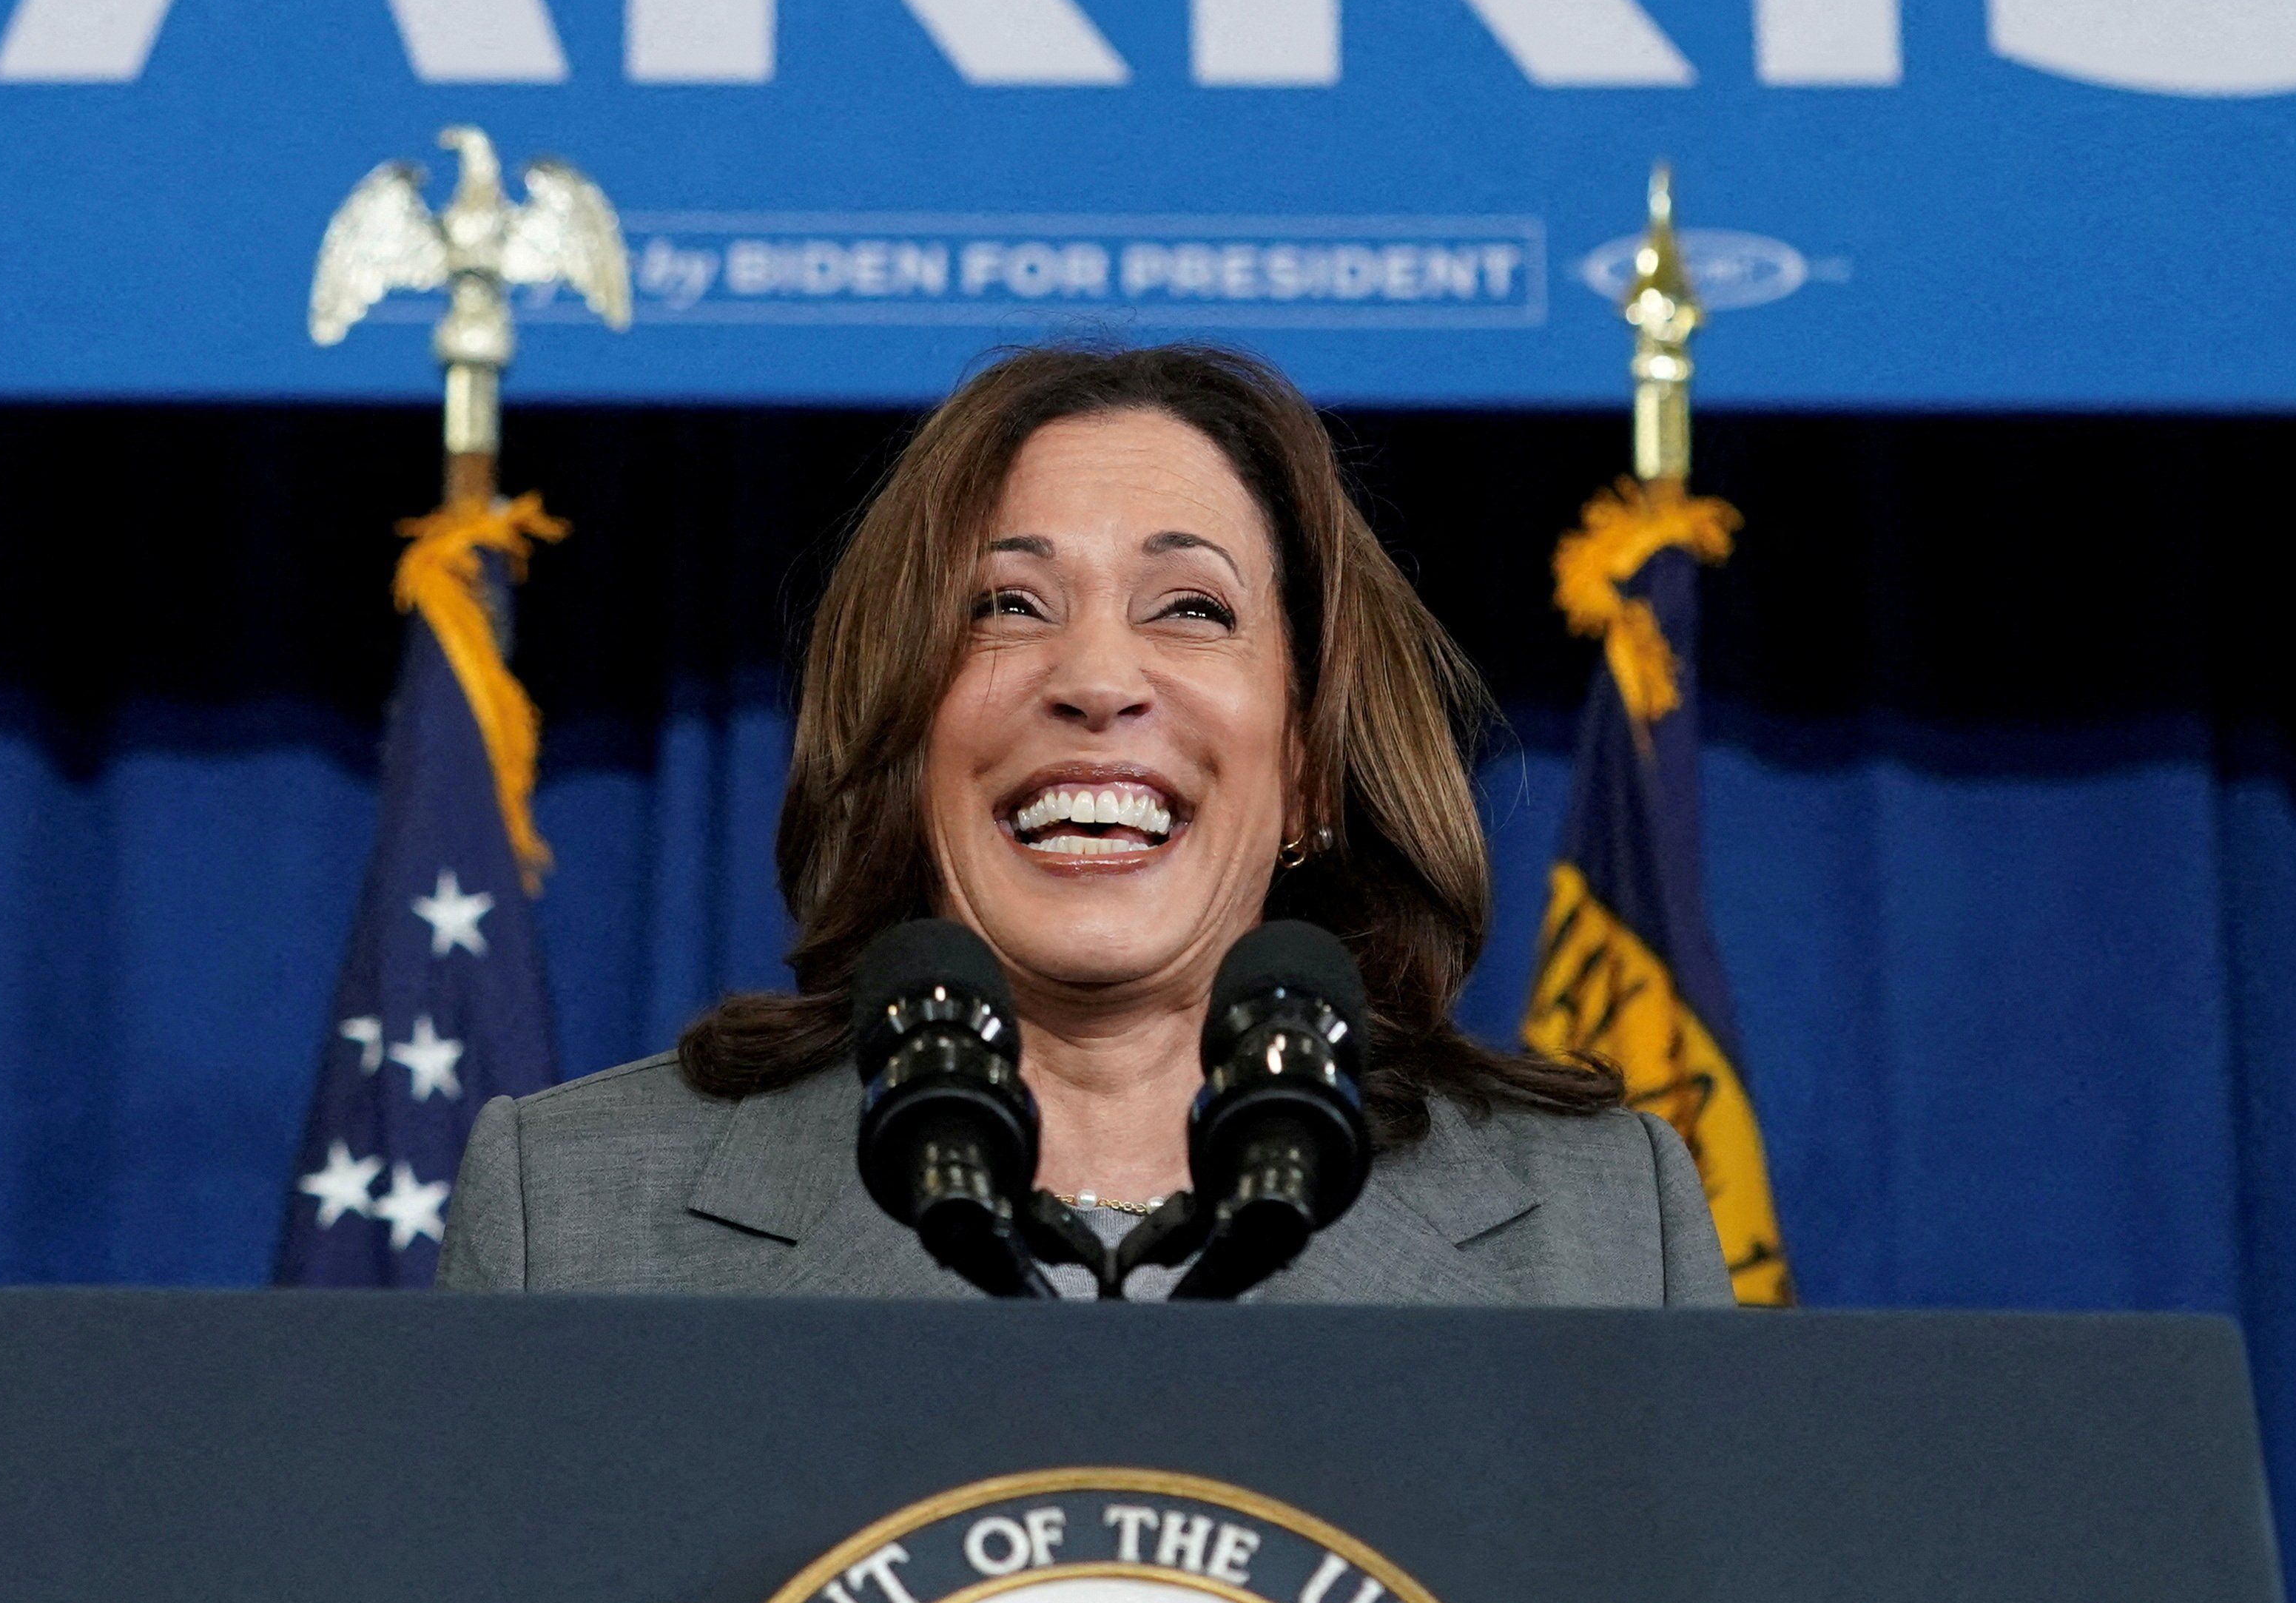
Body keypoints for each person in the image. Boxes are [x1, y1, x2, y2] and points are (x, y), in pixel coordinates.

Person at [439, 343, 1729, 1303]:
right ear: (902, 734)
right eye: (1005, 604)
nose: (1096, 679)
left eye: (1189, 608)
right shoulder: (574, 1221)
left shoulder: (1601, 1233)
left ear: (1312, 760)